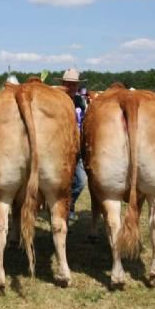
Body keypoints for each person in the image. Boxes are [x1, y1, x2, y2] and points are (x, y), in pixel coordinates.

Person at [58, 68, 87, 222]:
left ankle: (69, 204)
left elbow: (84, 121)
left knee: (81, 181)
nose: (71, 87)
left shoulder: (80, 101)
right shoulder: (56, 101)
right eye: (68, 84)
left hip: (78, 147)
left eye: (74, 84)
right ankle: (62, 209)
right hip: (61, 148)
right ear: (63, 84)